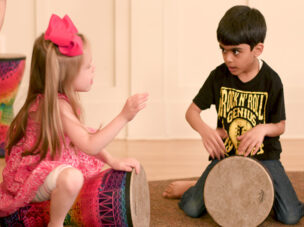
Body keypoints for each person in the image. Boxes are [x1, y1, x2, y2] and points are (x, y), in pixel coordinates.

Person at [0, 14, 148, 227]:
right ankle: (56, 223)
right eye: (87, 66)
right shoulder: (57, 107)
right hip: (33, 178)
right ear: (65, 76)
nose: (94, 68)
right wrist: (124, 116)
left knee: (83, 173)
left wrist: (112, 161)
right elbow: (90, 144)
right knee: (73, 178)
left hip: (49, 167)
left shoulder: (59, 103)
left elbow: (84, 139)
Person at [163, 5, 304, 225]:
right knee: (191, 208)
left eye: (235, 51)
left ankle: (207, 184)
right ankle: (193, 187)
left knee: (290, 215)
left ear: (257, 49)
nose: (228, 58)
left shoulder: (271, 80)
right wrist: (205, 131)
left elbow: (280, 125)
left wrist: (263, 129)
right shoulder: (218, 76)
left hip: (265, 158)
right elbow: (191, 112)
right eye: (223, 50)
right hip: (227, 155)